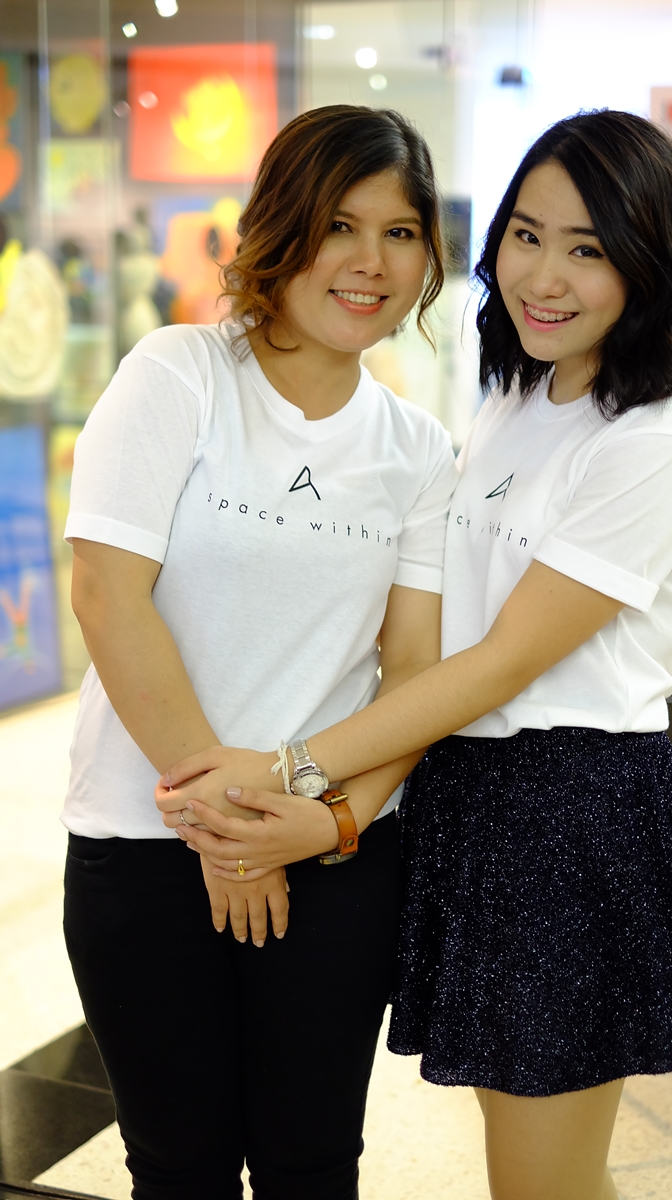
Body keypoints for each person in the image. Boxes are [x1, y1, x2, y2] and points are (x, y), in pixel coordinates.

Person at [160, 110, 672, 1200]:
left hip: (570, 814)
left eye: (588, 248)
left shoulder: (658, 438)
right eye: (526, 235)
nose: (544, 277)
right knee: (544, 1168)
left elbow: (496, 665)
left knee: (541, 1178)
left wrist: (293, 770)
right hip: (473, 798)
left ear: (648, 261)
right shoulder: (522, 391)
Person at [62, 105, 459, 1200]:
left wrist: (331, 821)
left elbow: (413, 676)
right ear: (282, 227)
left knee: (311, 1166)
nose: (370, 262)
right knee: (178, 1169)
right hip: (145, 843)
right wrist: (226, 832)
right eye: (339, 225)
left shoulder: (420, 454)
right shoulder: (179, 372)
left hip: (334, 853)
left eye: (400, 232)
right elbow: (106, 594)